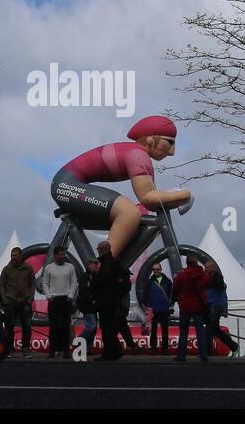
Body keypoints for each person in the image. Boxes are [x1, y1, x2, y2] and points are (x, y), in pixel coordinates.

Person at [51, 115, 192, 262]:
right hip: (66, 185)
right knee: (129, 213)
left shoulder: (139, 154)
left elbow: (153, 196)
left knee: (131, 219)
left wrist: (175, 196)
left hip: (67, 183)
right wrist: (185, 195)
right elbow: (148, 198)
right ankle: (105, 265)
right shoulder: (138, 155)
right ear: (151, 139)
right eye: (169, 142)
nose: (172, 152)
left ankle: (107, 264)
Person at [37, 246, 78, 358]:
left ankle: (65, 351)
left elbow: (74, 282)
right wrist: (48, 296)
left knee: (65, 326)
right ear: (55, 255)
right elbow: (45, 283)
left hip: (66, 299)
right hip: (53, 300)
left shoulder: (70, 267)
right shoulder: (49, 268)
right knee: (53, 326)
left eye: (64, 254)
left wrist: (70, 296)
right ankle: (52, 351)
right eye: (61, 254)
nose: (64, 256)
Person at [172, 255, 211, 362]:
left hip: (185, 305)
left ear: (187, 263)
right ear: (196, 263)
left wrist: (175, 299)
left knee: (184, 331)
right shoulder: (202, 275)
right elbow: (208, 283)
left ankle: (181, 355)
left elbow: (175, 289)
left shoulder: (181, 275)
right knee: (200, 330)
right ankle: (203, 354)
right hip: (198, 305)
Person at [0, 247, 36, 357]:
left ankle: (25, 348)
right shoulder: (6, 269)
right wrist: (5, 300)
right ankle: (9, 349)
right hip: (10, 301)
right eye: (12, 255)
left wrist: (30, 299)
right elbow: (2, 285)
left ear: (20, 256)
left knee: (27, 327)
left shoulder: (28, 268)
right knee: (9, 327)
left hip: (25, 301)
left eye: (15, 255)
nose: (13, 257)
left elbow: (32, 284)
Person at [90, 245, 125, 361]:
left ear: (103, 249)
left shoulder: (106, 264)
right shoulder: (112, 262)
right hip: (111, 300)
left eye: (99, 249)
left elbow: (104, 280)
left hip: (106, 300)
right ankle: (116, 351)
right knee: (109, 327)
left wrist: (94, 277)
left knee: (106, 327)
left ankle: (109, 353)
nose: (98, 250)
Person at [203, 258, 239, 356]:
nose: (205, 269)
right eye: (205, 267)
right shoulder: (207, 279)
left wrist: (225, 309)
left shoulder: (218, 280)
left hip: (216, 307)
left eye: (207, 267)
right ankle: (234, 346)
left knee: (210, 328)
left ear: (212, 268)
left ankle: (207, 352)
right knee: (215, 330)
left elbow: (223, 295)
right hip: (210, 307)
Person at [143, 261, 174, 353]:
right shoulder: (149, 282)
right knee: (153, 331)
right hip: (154, 310)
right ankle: (153, 348)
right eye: (154, 270)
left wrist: (171, 305)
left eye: (157, 269)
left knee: (165, 331)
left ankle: (165, 349)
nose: (155, 271)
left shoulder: (168, 282)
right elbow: (145, 295)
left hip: (164, 309)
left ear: (161, 269)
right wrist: (147, 306)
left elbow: (171, 295)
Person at [76, 258, 101, 352]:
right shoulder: (85, 277)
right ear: (90, 265)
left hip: (93, 305)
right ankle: (78, 341)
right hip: (87, 305)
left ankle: (87, 348)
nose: (96, 266)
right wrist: (91, 298)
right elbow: (83, 291)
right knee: (92, 327)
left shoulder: (95, 276)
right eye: (95, 264)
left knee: (92, 328)